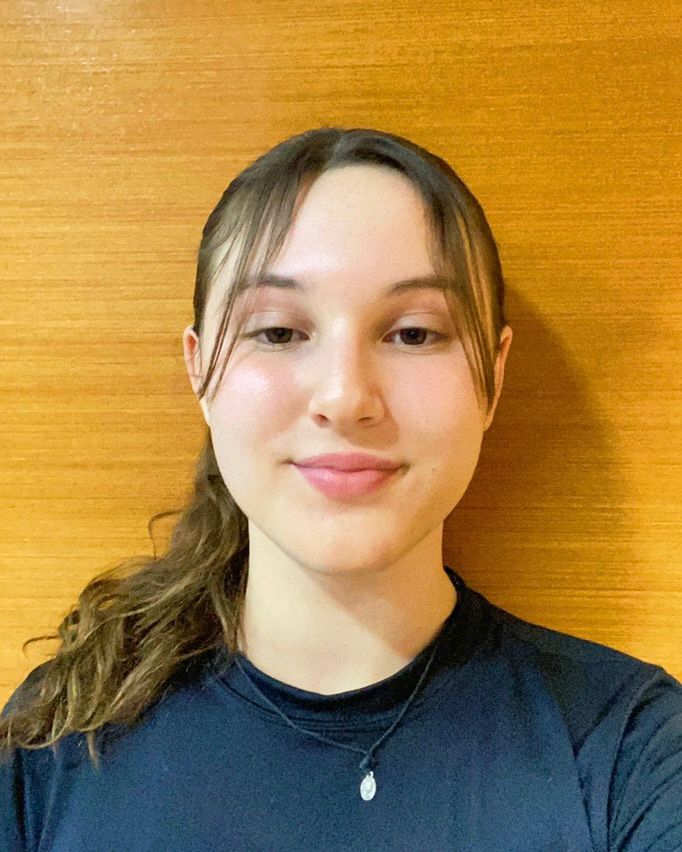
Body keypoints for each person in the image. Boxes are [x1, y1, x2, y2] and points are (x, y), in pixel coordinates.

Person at [0, 127, 680, 851]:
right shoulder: (60, 737)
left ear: (494, 374)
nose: (346, 396)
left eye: (413, 333)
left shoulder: (628, 750)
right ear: (199, 371)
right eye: (278, 332)